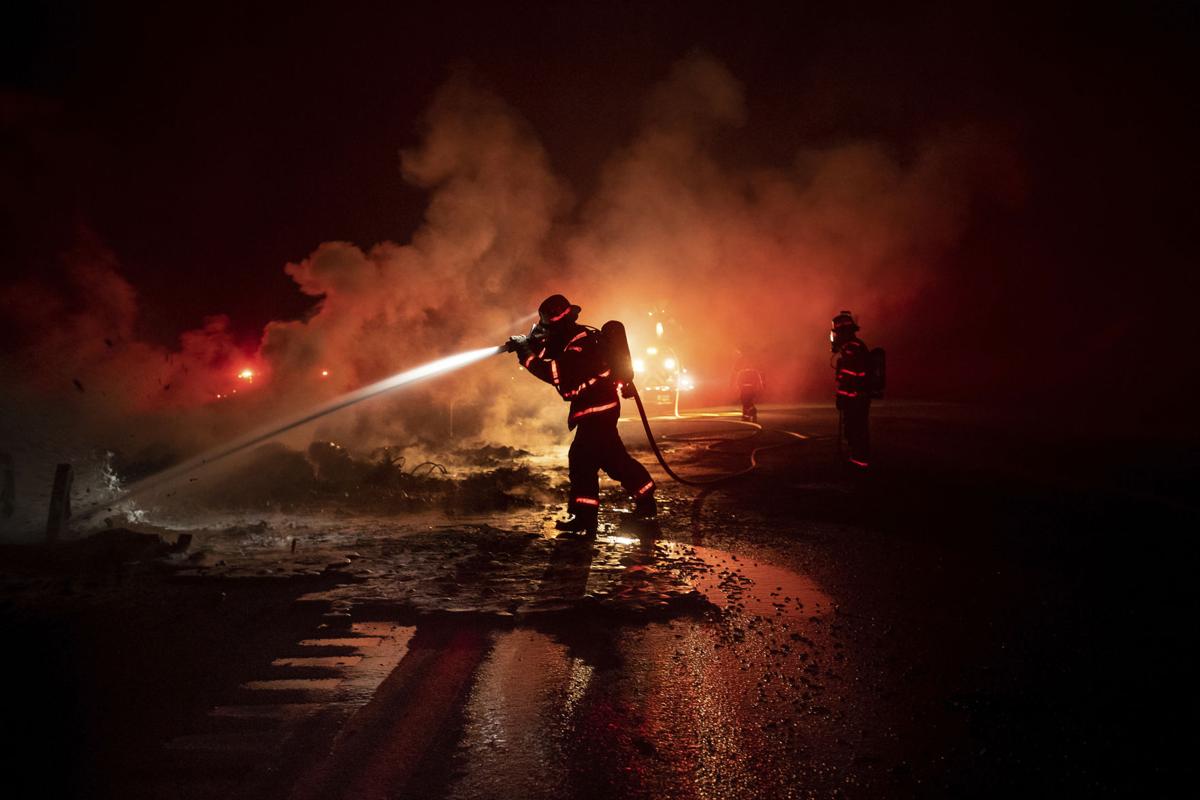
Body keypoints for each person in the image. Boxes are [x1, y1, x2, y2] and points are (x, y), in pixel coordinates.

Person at [508, 294, 657, 535]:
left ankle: (586, 518)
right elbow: (550, 351)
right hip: (598, 410)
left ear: (559, 324)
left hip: (597, 411)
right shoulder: (571, 339)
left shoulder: (581, 344)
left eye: (549, 326)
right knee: (613, 460)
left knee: (582, 460)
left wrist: (525, 353)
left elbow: (554, 373)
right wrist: (529, 342)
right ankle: (645, 498)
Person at [831, 310, 871, 468]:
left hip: (855, 397)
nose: (836, 337)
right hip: (856, 396)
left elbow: (849, 375)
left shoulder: (852, 348)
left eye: (837, 333)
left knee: (856, 428)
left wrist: (841, 396)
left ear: (843, 332)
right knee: (855, 427)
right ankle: (858, 458)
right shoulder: (854, 346)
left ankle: (859, 461)